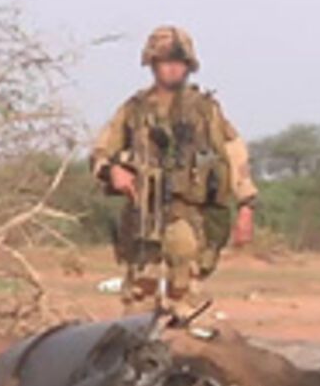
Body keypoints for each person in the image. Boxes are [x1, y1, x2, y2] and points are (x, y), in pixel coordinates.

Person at [90, 26, 256, 314]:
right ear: (152, 65)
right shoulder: (133, 110)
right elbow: (100, 153)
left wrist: (246, 207)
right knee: (139, 303)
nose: (171, 69)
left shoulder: (206, 111)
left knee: (187, 299)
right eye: (165, 62)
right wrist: (112, 171)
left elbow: (234, 154)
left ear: (189, 66)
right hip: (142, 216)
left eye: (178, 63)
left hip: (189, 217)